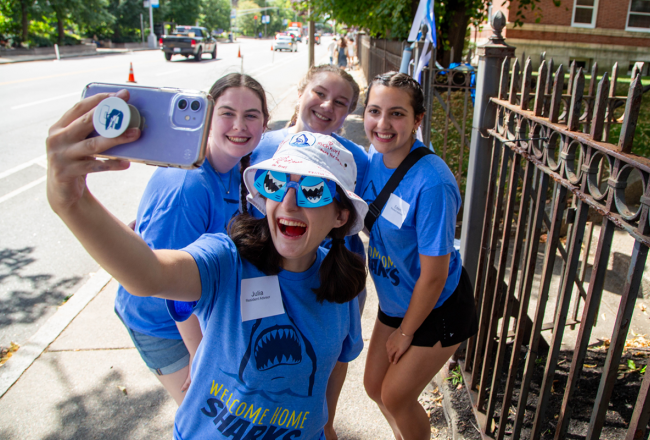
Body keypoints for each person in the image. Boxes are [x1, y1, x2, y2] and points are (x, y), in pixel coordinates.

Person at [47, 108, 368, 438]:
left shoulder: (342, 284)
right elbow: (148, 274)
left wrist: (327, 426)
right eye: (274, 184)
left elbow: (336, 363)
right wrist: (72, 200)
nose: (287, 203)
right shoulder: (227, 260)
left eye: (312, 190)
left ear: (341, 216)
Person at [113, 73, 269, 405]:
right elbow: (169, 286)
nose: (239, 125)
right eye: (227, 113)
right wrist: (202, 357)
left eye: (251, 115)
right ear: (208, 118)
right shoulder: (189, 186)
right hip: (163, 323)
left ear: (264, 123)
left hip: (205, 308)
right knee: (213, 415)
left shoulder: (241, 167)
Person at [250, 64, 368, 439]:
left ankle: (318, 419)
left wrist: (327, 424)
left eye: (341, 102)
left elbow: (365, 215)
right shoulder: (262, 145)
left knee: (328, 351)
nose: (327, 105)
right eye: (319, 92)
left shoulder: (357, 159)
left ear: (348, 112)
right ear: (301, 91)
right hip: (267, 270)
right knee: (264, 350)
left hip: (332, 274)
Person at [360, 72, 478, 440]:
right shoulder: (373, 159)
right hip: (396, 300)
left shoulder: (433, 183)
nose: (382, 124)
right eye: (374, 111)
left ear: (417, 120)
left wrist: (406, 332)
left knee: (395, 396)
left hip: (437, 308)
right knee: (373, 386)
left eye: (396, 114)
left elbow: (434, 276)